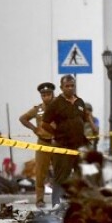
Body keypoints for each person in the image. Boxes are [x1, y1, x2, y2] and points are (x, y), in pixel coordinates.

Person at [41, 75, 91, 205]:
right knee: (61, 177)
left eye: (72, 85)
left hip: (79, 146)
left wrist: (91, 127)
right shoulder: (56, 103)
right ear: (61, 88)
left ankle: (79, 204)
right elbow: (45, 123)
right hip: (62, 145)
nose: (70, 88)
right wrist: (57, 133)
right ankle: (56, 205)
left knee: (81, 176)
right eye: (67, 86)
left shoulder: (80, 102)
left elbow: (84, 117)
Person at [19, 82, 56, 207]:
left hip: (58, 142)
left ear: (53, 94)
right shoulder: (38, 109)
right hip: (43, 142)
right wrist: (34, 129)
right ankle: (40, 199)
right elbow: (23, 118)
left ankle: (61, 198)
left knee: (60, 171)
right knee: (41, 172)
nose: (46, 97)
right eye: (43, 95)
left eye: (48, 94)